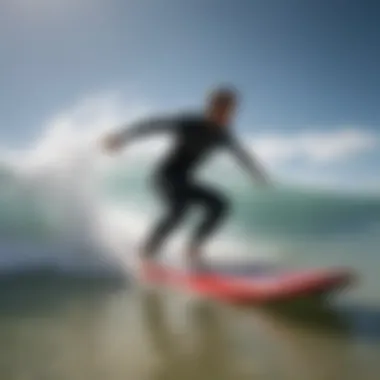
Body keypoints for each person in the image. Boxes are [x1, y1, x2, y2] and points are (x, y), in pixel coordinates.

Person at [102, 86, 272, 271]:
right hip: (165, 176)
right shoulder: (190, 123)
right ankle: (147, 252)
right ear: (211, 107)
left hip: (185, 180)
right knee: (179, 209)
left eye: (231, 110)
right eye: (222, 108)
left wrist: (257, 174)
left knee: (219, 205)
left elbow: (241, 154)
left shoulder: (223, 135)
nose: (227, 114)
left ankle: (192, 249)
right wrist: (122, 137)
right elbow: (153, 125)